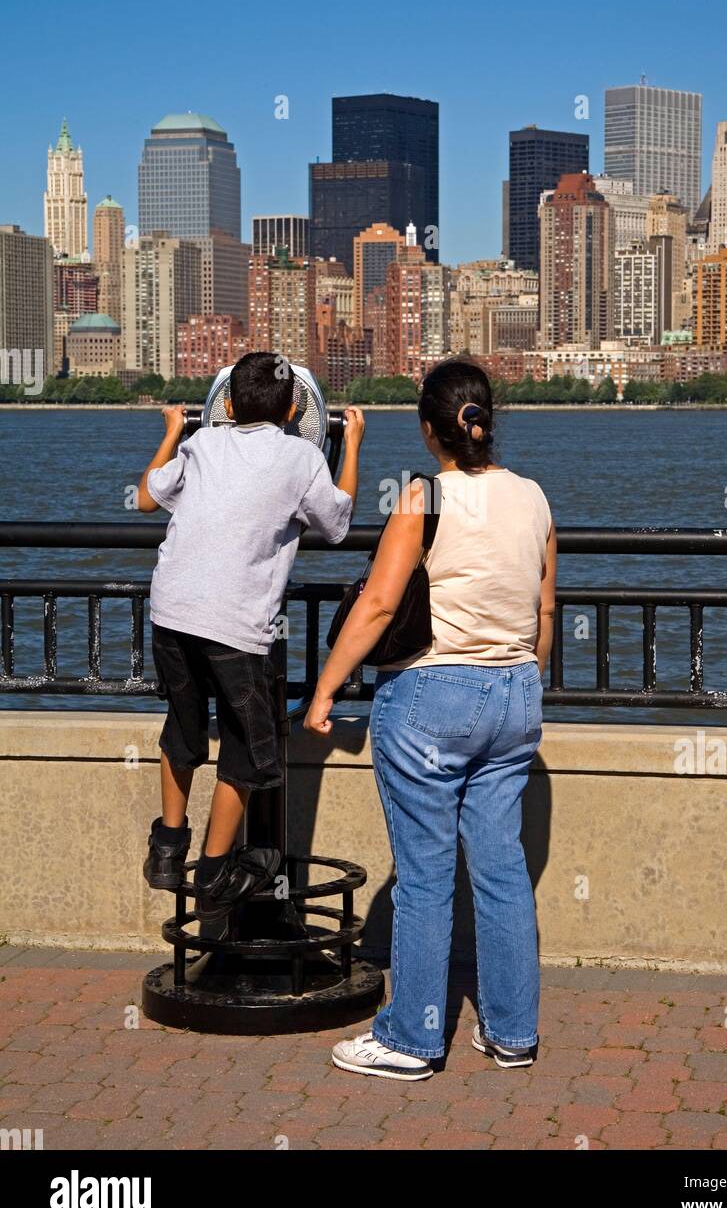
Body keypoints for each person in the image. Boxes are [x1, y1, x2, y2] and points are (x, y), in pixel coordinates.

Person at [305, 358, 556, 1080]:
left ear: (429, 429)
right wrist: (525, 680)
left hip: (433, 698)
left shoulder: (424, 498)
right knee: (503, 868)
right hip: (514, 694)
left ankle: (412, 1040)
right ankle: (512, 1033)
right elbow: (544, 612)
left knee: (423, 874)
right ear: (486, 422)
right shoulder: (534, 497)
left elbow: (378, 605)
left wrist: (324, 691)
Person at [137, 351, 364, 939]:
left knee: (183, 728)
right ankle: (214, 875)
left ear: (226, 406)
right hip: (237, 627)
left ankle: (167, 846)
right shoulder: (301, 456)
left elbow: (146, 497)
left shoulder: (201, 446)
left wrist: (172, 433)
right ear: (296, 409)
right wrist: (354, 442)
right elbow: (336, 524)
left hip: (170, 612)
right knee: (244, 749)